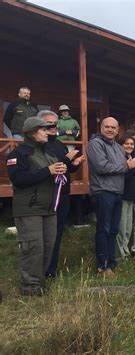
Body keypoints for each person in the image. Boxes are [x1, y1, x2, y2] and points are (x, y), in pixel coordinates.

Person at [7, 116, 65, 295]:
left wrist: (61, 169)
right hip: (29, 208)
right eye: (43, 129)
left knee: (48, 246)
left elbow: (50, 174)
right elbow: (18, 179)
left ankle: (38, 282)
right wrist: (47, 171)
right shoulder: (19, 153)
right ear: (33, 132)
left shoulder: (48, 152)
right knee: (33, 248)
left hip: (49, 208)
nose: (47, 132)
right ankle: (29, 287)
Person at [87, 117, 135, 278]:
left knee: (113, 230)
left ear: (118, 130)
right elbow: (102, 167)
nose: (110, 130)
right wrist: (127, 165)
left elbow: (124, 169)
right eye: (107, 127)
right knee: (103, 229)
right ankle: (102, 266)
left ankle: (112, 263)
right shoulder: (95, 144)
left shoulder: (119, 148)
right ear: (101, 128)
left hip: (117, 193)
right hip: (103, 192)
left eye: (113, 127)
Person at [39, 110, 85, 278]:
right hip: (49, 194)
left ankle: (52, 268)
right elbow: (51, 166)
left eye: (55, 124)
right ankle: (42, 269)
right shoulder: (41, 145)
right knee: (46, 233)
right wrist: (66, 159)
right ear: (40, 125)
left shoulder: (59, 143)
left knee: (58, 232)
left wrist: (76, 164)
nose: (53, 127)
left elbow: (67, 168)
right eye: (49, 124)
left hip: (64, 194)